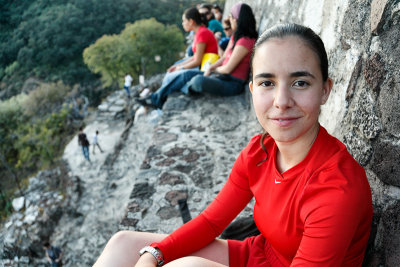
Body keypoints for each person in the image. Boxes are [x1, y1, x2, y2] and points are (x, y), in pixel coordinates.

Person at [93, 23, 373, 267]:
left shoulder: (336, 188)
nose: (281, 101)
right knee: (124, 244)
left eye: (300, 82)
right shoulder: (259, 152)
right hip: (258, 257)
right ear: (252, 90)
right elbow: (211, 222)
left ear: (325, 90)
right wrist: (155, 253)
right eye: (267, 83)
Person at [136, 7, 218, 109]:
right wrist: (178, 65)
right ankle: (159, 99)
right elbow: (195, 57)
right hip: (202, 66)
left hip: (206, 69)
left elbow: (197, 60)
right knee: (175, 68)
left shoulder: (202, 33)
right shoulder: (199, 33)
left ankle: (156, 98)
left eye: (184, 21)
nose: (183, 23)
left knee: (184, 75)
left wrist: (181, 68)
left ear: (191, 21)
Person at [187, 2, 258, 97]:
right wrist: (210, 68)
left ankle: (187, 89)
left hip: (233, 83)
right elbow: (224, 57)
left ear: (238, 20)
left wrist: (213, 70)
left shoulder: (246, 41)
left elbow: (228, 69)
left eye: (232, 17)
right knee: (189, 75)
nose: (230, 20)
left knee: (198, 80)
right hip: (223, 76)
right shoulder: (236, 37)